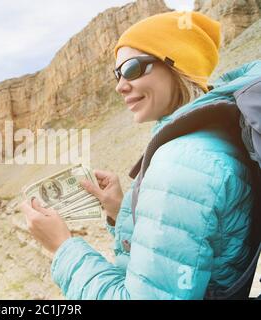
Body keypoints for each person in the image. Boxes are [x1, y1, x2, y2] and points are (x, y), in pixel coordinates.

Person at [20, 11, 261, 299]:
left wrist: (63, 246)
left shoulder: (182, 162)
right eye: (117, 73)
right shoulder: (215, 137)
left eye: (132, 68)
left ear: (176, 65)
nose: (120, 85)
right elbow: (186, 248)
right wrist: (120, 209)